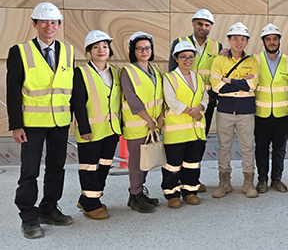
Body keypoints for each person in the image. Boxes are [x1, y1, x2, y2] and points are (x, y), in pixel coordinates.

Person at [7, 2, 75, 239]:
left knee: (56, 168)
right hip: (32, 124)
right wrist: (16, 125)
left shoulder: (69, 51)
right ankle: (28, 216)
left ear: (59, 26)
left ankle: (49, 208)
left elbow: (70, 88)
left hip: (60, 122)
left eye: (54, 22)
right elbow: (12, 90)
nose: (49, 26)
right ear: (34, 24)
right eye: (44, 21)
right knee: (29, 171)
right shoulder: (20, 51)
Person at [168, 9, 223, 193]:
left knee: (199, 142)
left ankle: (193, 180)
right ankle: (181, 180)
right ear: (193, 24)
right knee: (181, 143)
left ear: (211, 27)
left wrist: (207, 102)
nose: (203, 27)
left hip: (204, 104)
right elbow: (171, 72)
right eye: (200, 23)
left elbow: (219, 73)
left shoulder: (217, 47)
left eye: (207, 25)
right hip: (182, 106)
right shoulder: (180, 43)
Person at [71, 30, 121, 220]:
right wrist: (84, 128)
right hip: (90, 130)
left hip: (111, 129)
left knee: (105, 165)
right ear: (89, 51)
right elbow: (78, 103)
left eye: (105, 46)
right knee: (89, 167)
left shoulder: (115, 72)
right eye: (96, 47)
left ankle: (88, 197)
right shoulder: (81, 72)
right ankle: (91, 205)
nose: (101, 50)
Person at [210, 22, 259, 199]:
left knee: (247, 147)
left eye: (243, 39)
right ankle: (224, 182)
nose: (239, 42)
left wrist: (228, 80)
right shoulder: (219, 60)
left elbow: (252, 85)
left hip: (246, 111)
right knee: (224, 147)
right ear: (229, 40)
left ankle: (248, 182)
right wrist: (241, 84)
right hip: (225, 110)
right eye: (235, 38)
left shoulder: (252, 61)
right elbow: (217, 87)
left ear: (247, 41)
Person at [161, 41, 209, 208]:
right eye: (183, 57)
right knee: (173, 165)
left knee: (192, 163)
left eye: (191, 57)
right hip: (176, 131)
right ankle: (172, 194)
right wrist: (192, 112)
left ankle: (190, 191)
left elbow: (205, 97)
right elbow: (171, 100)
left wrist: (200, 108)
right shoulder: (169, 77)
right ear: (176, 58)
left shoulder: (199, 78)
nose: (188, 60)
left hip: (196, 130)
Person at [121, 31, 164, 213]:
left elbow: (161, 97)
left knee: (146, 161)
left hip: (152, 124)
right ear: (133, 51)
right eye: (140, 49)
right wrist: (149, 120)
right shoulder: (127, 71)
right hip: (138, 125)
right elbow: (132, 100)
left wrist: (161, 117)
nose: (144, 51)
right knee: (137, 163)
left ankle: (139, 193)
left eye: (147, 48)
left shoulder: (155, 70)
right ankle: (135, 194)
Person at [253, 23, 288, 193]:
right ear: (263, 41)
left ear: (279, 41)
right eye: (268, 39)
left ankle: (277, 179)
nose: (272, 42)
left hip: (282, 114)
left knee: (279, 148)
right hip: (261, 113)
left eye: (275, 39)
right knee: (261, 147)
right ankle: (262, 179)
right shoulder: (254, 60)